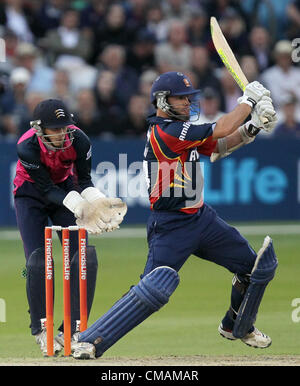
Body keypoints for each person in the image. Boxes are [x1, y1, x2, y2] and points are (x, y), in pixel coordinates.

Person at [71, 71, 278, 360]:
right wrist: (248, 102)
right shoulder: (166, 132)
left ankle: (235, 325)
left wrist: (253, 126)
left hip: (202, 218)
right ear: (162, 100)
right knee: (151, 290)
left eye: (188, 98)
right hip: (170, 226)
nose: (187, 103)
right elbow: (220, 128)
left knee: (253, 268)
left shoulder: (181, 131)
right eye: (181, 98)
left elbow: (219, 146)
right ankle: (90, 340)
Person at [13, 98, 127, 356]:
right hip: (30, 194)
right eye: (55, 129)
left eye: (64, 127)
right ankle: (42, 330)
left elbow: (84, 180)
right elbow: (44, 188)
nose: (62, 133)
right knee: (38, 261)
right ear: (40, 129)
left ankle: (74, 330)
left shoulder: (79, 140)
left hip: (65, 189)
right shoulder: (26, 147)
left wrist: (99, 202)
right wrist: (79, 206)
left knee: (84, 256)